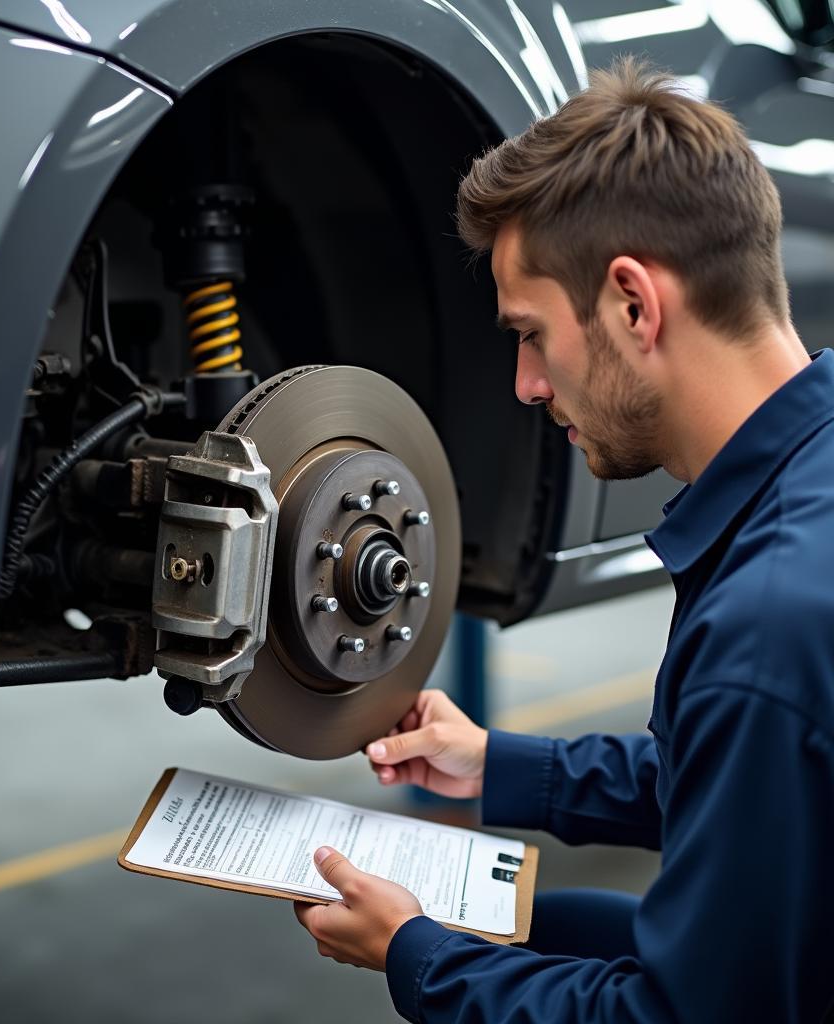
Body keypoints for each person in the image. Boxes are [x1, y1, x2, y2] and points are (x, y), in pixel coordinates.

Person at [293, 57, 834, 1023]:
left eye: (531, 334)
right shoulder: (806, 504)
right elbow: (753, 784)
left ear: (634, 304)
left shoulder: (767, 623)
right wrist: (500, 765)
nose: (525, 385)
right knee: (543, 920)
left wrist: (416, 958)